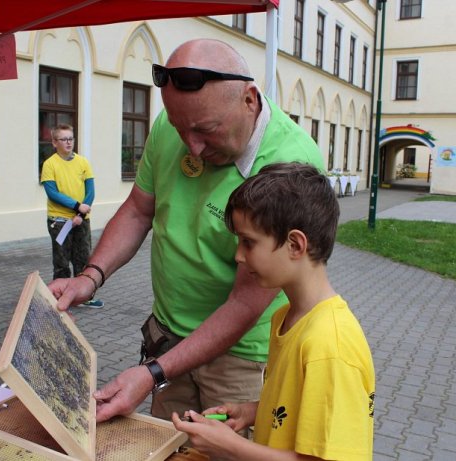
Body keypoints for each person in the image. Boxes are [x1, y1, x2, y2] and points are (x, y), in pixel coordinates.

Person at [48, 39, 324, 423]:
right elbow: (137, 211)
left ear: (249, 99)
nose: (192, 148)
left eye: (205, 130)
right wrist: (89, 278)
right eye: (180, 128)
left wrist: (152, 373)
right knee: (168, 446)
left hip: (239, 356)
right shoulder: (176, 123)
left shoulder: (290, 165)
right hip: (166, 335)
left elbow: (246, 303)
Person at [172, 162, 375, 461]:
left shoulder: (330, 345)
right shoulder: (287, 317)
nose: (239, 256)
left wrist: (228, 445)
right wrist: (251, 412)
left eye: (248, 242)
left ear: (295, 244)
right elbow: (300, 407)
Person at [41, 123, 104, 308]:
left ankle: (85, 297)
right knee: (61, 261)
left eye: (71, 138)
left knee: (83, 259)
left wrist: (80, 215)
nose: (68, 142)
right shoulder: (50, 164)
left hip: (81, 220)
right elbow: (53, 193)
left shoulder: (83, 162)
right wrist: (77, 207)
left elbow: (90, 192)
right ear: (54, 142)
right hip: (59, 222)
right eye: (63, 139)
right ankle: (60, 297)